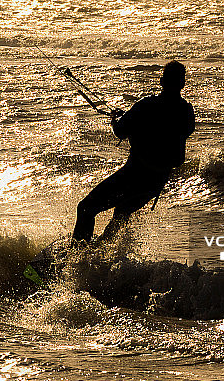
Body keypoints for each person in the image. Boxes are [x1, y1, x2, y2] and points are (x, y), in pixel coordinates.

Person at [71, 60, 195, 244]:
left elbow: (120, 131)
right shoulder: (186, 111)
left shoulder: (146, 106)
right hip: (155, 184)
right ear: (182, 84)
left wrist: (114, 119)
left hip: (134, 176)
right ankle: (99, 256)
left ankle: (78, 257)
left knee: (85, 208)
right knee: (121, 213)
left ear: (161, 81)